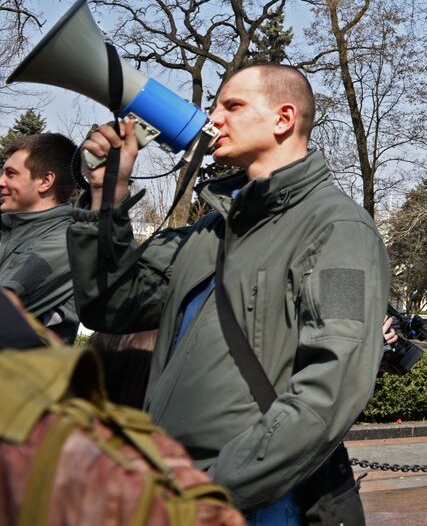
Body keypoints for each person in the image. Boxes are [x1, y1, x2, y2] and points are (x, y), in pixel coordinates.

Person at [68, 63, 391, 524]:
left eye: (232, 106)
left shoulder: (341, 232)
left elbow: (334, 386)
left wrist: (218, 486)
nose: (213, 118)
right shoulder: (209, 231)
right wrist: (106, 198)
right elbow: (112, 304)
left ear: (283, 119)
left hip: (255, 504)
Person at [0, 133, 80, 342]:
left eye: (10, 174)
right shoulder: (9, 228)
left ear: (45, 181)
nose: (1, 182)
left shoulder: (64, 244)